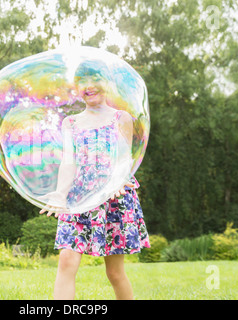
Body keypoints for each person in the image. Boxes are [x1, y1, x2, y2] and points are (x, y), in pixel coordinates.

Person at [38, 60, 150, 300]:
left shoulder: (122, 118)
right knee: (67, 260)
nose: (88, 86)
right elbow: (69, 162)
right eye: (82, 82)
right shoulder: (71, 123)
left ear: (107, 83)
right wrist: (60, 193)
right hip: (79, 197)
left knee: (115, 273)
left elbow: (123, 160)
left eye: (94, 79)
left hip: (114, 197)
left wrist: (119, 180)